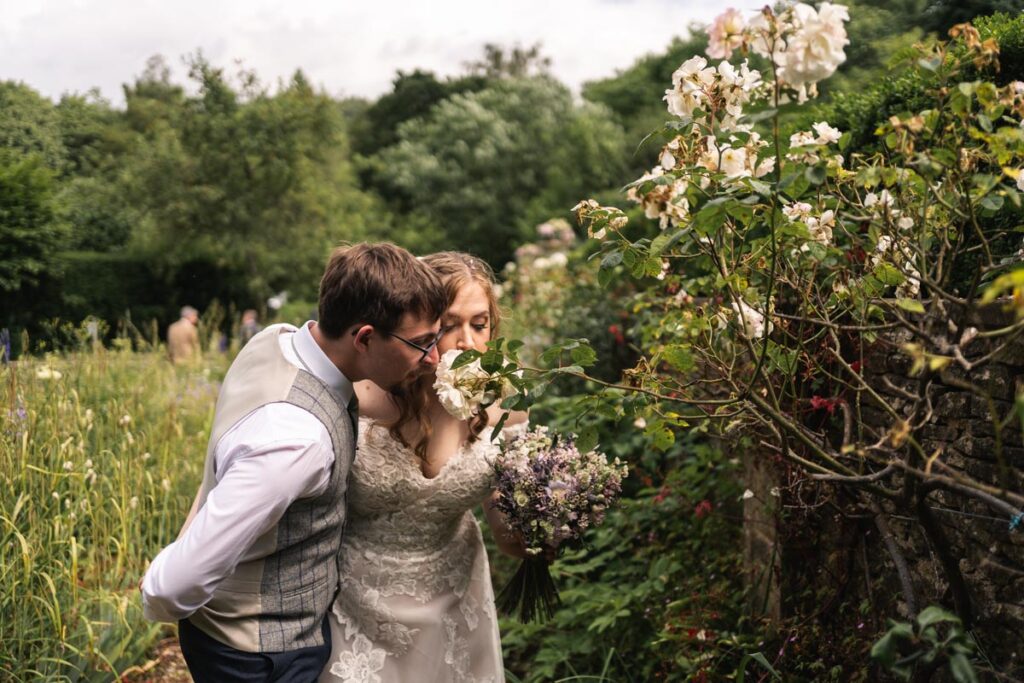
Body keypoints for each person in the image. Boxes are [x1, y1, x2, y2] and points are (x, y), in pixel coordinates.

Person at [141, 243, 448, 683]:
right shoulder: (295, 442)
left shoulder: (277, 339)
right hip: (262, 657)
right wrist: (156, 590)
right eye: (420, 343)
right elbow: (172, 588)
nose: (433, 357)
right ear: (363, 337)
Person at [320, 251, 527, 683]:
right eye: (449, 326)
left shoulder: (502, 406)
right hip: (356, 605)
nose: (467, 343)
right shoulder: (360, 398)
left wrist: (549, 522)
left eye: (480, 323)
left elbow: (510, 537)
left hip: (455, 601)